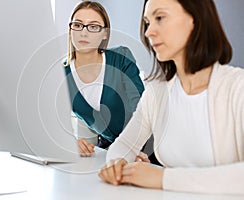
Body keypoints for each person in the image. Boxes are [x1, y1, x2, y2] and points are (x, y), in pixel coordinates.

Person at [98, 0, 244, 195]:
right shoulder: (156, 93)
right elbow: (124, 144)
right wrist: (117, 164)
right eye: (147, 22)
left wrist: (162, 178)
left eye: (160, 18)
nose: (149, 32)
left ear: (195, 19)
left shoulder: (238, 88)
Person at [64, 1, 144, 157]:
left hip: (146, 146)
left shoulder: (121, 59)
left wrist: (131, 148)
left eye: (93, 27)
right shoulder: (61, 75)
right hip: (108, 151)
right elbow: (53, 123)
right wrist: (71, 142)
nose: (84, 32)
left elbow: (141, 111)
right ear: (70, 29)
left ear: (105, 33)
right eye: (78, 25)